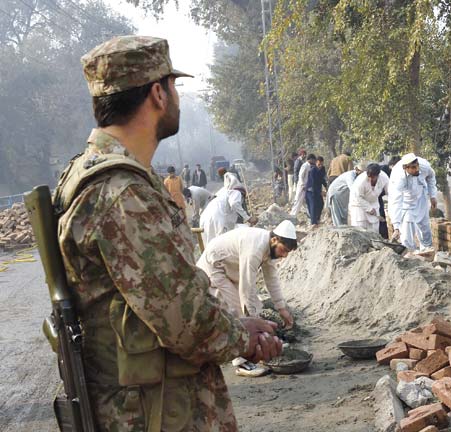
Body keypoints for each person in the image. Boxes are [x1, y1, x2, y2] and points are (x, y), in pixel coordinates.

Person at [54, 35, 282, 431]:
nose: (177, 97)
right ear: (158, 93)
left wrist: (237, 326)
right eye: (174, 86)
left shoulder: (98, 176)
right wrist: (243, 338)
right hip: (152, 412)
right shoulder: (124, 194)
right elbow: (185, 320)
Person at [196, 220, 298, 376]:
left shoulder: (269, 249)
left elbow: (271, 279)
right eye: (283, 250)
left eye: (287, 253)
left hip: (229, 269)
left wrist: (282, 308)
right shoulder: (255, 248)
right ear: (274, 239)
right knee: (237, 310)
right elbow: (246, 286)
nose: (283, 255)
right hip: (214, 266)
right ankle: (242, 362)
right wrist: (254, 321)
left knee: (252, 306)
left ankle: (254, 349)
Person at [388, 153, 438, 251]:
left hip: (420, 197)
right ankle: (410, 254)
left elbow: (431, 177)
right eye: (413, 168)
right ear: (405, 168)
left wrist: (432, 196)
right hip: (405, 202)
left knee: (424, 227)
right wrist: (396, 226)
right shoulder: (398, 177)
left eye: (417, 166)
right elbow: (396, 200)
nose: (417, 169)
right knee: (407, 233)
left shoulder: (424, 166)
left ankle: (427, 251)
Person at [200, 176, 256, 243]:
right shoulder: (236, 192)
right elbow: (234, 204)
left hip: (205, 217)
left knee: (210, 244)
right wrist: (248, 218)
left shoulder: (223, 193)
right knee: (221, 243)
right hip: (217, 217)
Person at [349, 163, 390, 232]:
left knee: (375, 230)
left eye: (373, 177)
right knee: (360, 230)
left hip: (373, 203)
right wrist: (368, 208)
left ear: (378, 175)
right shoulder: (360, 181)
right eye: (369, 177)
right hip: (358, 205)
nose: (370, 179)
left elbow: (389, 193)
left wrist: (389, 209)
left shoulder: (384, 178)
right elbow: (358, 197)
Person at [326, 162, 366, 226]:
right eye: (362, 172)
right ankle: (339, 231)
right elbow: (353, 190)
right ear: (357, 170)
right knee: (337, 216)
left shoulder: (358, 177)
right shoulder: (350, 175)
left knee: (344, 214)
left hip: (342, 196)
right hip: (335, 194)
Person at [379, 156, 401, 239]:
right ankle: (383, 237)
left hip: (381, 195)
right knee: (380, 215)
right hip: (376, 195)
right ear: (392, 165)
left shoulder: (395, 172)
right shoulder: (384, 171)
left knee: (382, 216)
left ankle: (385, 236)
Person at [306, 156, 328, 226]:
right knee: (313, 206)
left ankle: (317, 219)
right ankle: (313, 223)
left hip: (317, 190)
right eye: (319, 164)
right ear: (316, 163)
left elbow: (322, 179)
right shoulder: (312, 171)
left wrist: (327, 187)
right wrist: (320, 192)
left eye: (321, 164)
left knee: (321, 204)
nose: (320, 166)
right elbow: (313, 183)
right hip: (310, 191)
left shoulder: (322, 169)